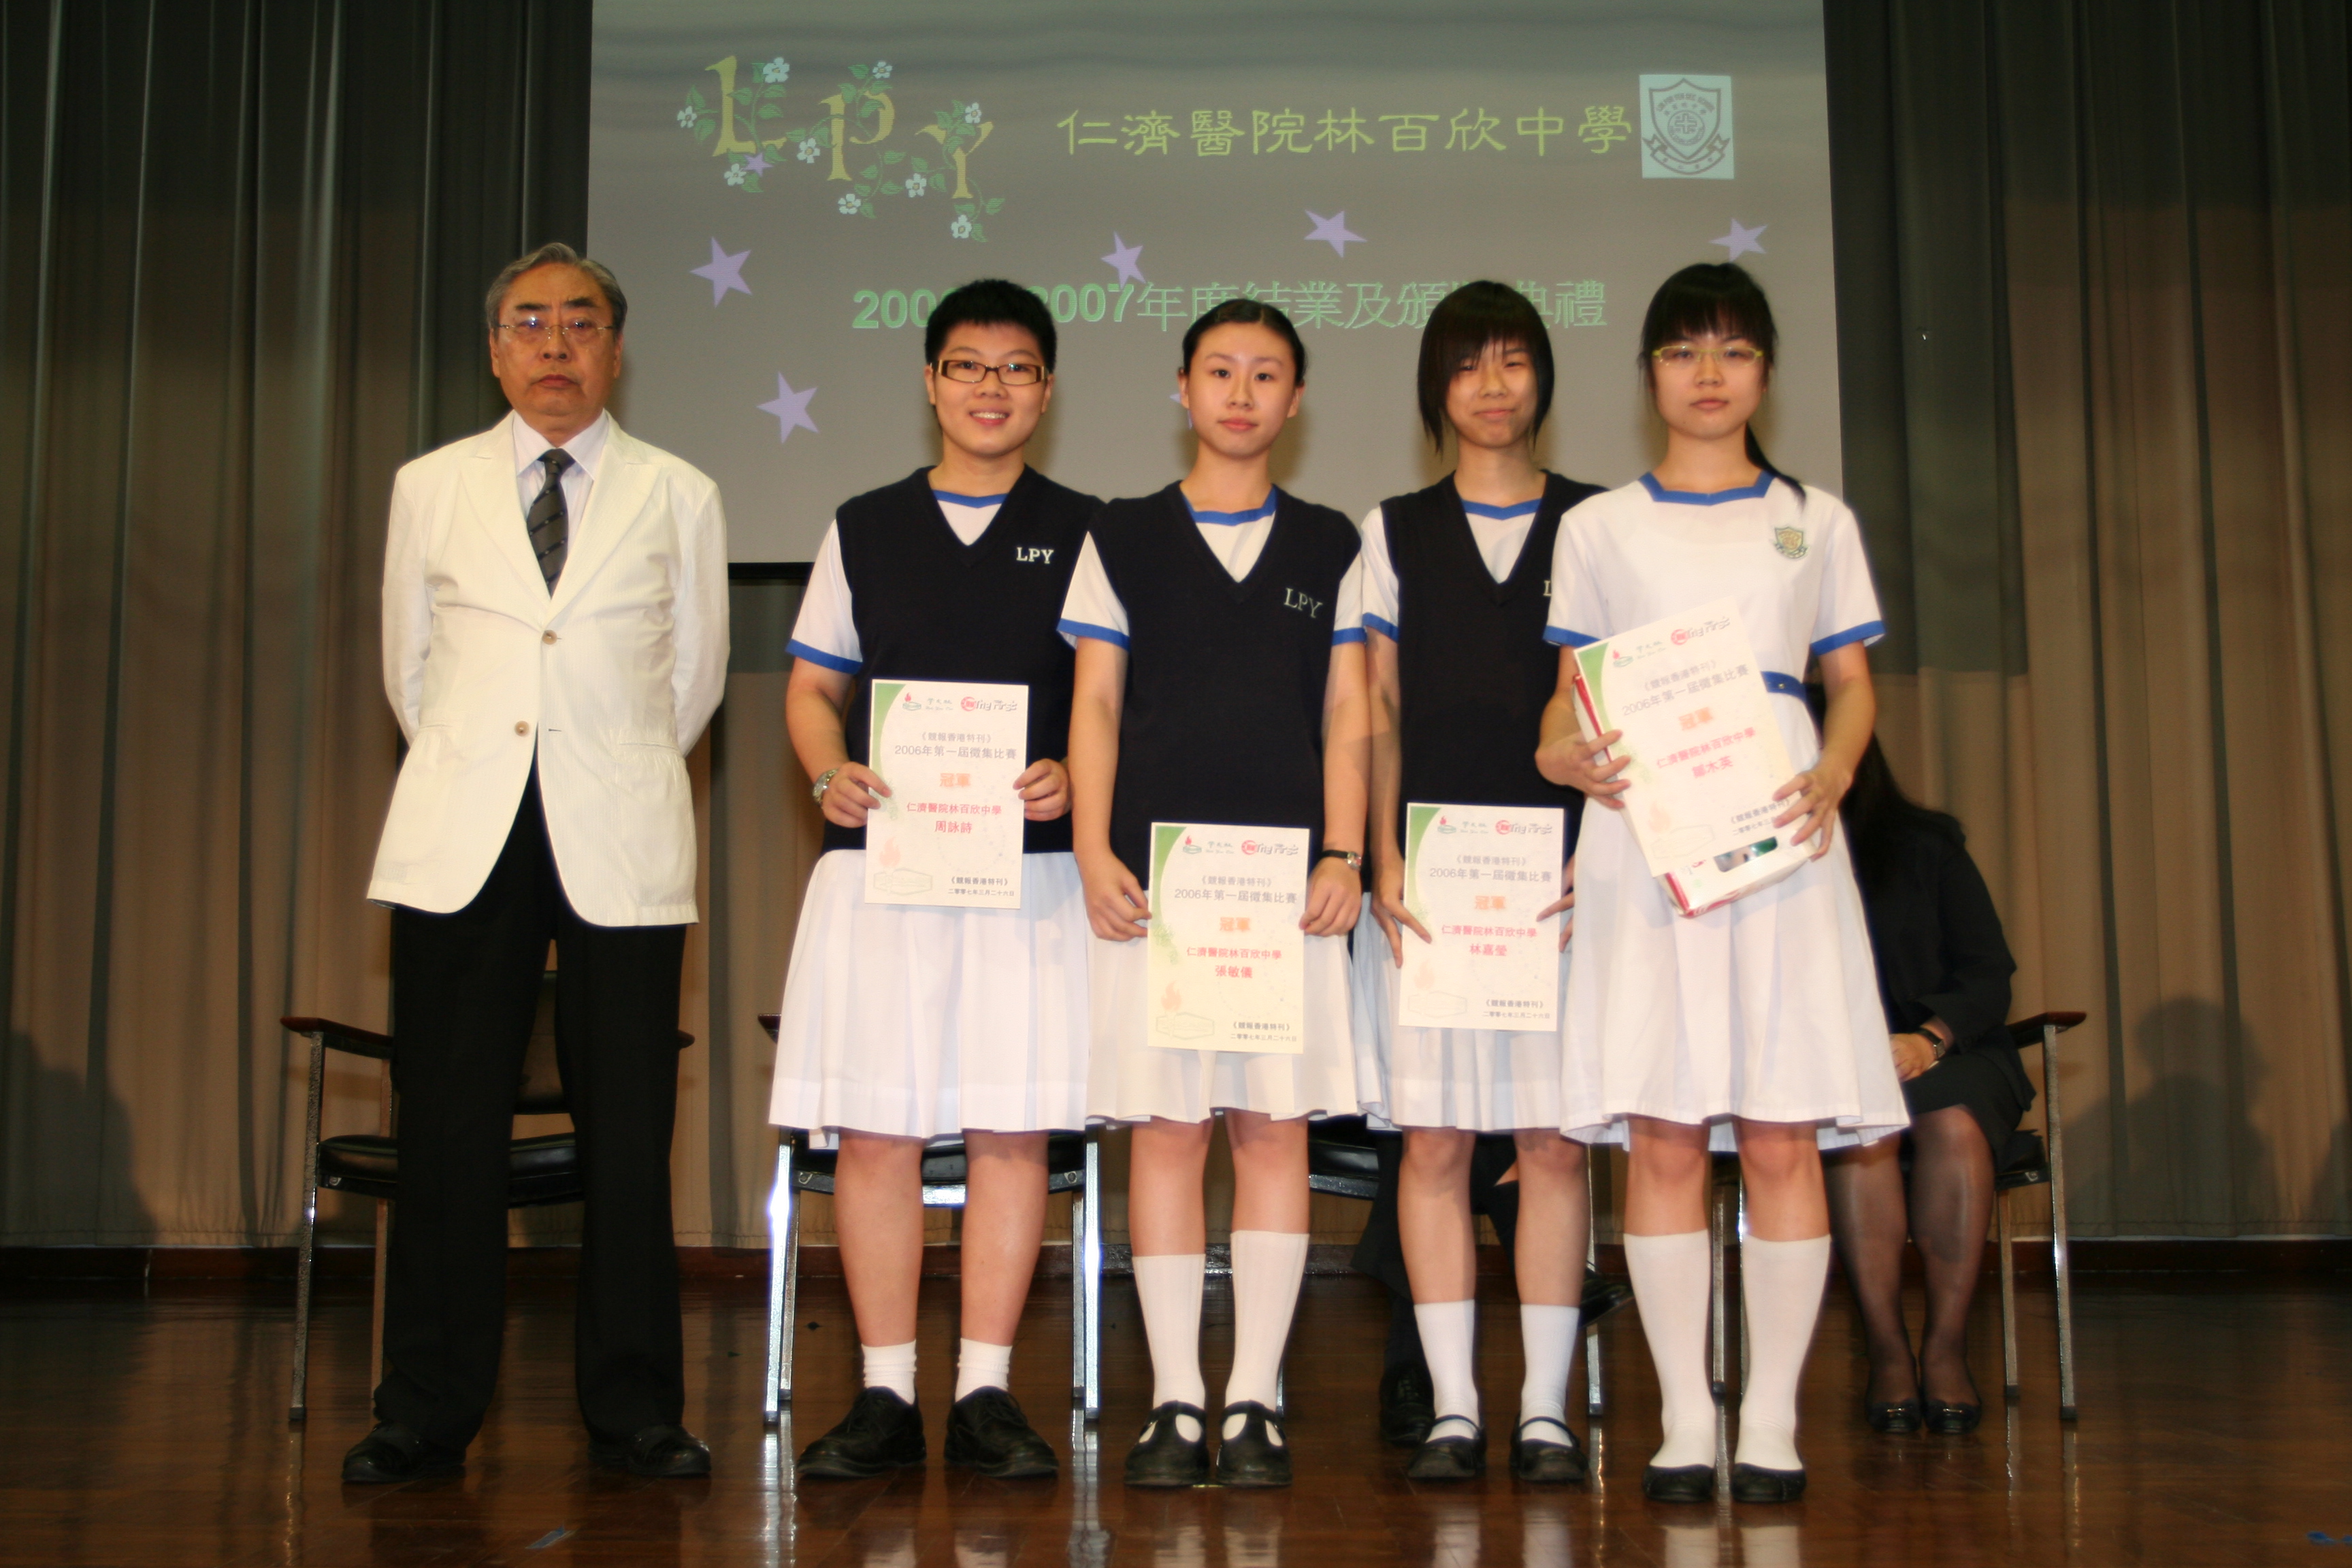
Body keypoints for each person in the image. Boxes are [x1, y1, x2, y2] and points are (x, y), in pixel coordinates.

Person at [346, 242, 729, 1483]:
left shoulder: (681, 492)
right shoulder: (429, 485)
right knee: (447, 1133)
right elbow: (410, 672)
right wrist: (498, 760)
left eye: (580, 322)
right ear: (494, 348)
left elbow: (692, 684)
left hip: (618, 828)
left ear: (616, 348)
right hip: (465, 833)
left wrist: (593, 762)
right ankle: (423, 1410)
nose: (555, 344)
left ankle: (636, 1410)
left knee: (628, 1135)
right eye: (529, 322)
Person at [1535, 262, 1906, 1505]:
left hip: (1781, 832)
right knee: (1665, 1125)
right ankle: (1687, 1418)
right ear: (1647, 373)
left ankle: (1775, 1419)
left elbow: (1850, 682)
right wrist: (1557, 754)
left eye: (1735, 350)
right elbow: (1567, 697)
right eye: (1684, 350)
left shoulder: (1815, 519)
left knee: (1786, 1124)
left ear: (1765, 372)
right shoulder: (1599, 527)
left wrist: (1835, 769)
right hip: (1646, 836)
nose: (1709, 373)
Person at [770, 280, 1098, 1481]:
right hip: (886, 872)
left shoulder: (1090, 532)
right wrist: (827, 771)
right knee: (878, 1131)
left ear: (1046, 391)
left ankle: (986, 1392)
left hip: (1030, 880)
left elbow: (1112, 703)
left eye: (1016, 368)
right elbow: (813, 686)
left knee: (1011, 1129)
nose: (990, 388)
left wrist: (1076, 772)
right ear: (929, 381)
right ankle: (885, 1391)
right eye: (967, 365)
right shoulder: (864, 525)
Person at [1063, 297, 1369, 1489]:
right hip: (1158, 887)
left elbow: (1349, 710)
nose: (1242, 394)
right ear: (1181, 389)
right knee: (1169, 1132)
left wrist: (1343, 851)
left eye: (1267, 374)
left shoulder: (1332, 543)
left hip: (1287, 892)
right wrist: (1092, 845)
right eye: (1220, 372)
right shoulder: (1121, 535)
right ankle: (1174, 1399)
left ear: (1298, 401)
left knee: (1273, 1128)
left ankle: (1254, 1398)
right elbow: (1096, 701)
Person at [1350, 282, 1601, 1482]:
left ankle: (1545, 1410)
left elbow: (1621, 700)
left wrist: (1603, 854)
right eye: (1467, 366)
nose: (1492, 387)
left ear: (1543, 377)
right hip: (1432, 886)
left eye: (1512, 361)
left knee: (1553, 1144)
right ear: (1434, 390)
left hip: (1565, 887)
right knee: (1437, 1144)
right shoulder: (1390, 529)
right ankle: (1453, 1405)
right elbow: (1375, 703)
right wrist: (1384, 856)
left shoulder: (1599, 525)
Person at [1821, 731, 2025, 1436]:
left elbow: (1989, 973)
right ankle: (1886, 1352)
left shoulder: (1927, 845)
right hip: (1835, 1066)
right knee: (1863, 1130)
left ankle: (1944, 1349)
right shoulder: (1763, 856)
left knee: (1952, 1120)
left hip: (1951, 1049)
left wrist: (1929, 1039)